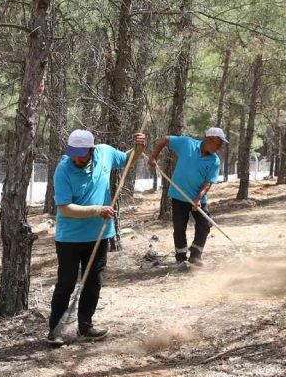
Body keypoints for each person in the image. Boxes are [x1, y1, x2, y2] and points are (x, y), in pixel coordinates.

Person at [48, 129, 146, 344]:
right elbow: (65, 209)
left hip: (99, 234)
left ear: (92, 150)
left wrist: (138, 148)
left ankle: (85, 326)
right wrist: (96, 210)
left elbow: (126, 160)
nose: (77, 158)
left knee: (93, 282)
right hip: (69, 239)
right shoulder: (63, 169)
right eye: (74, 153)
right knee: (66, 283)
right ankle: (55, 330)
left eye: (82, 154)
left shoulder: (105, 153)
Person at [148, 127, 227, 270]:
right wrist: (154, 156)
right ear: (209, 140)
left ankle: (195, 256)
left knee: (204, 225)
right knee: (179, 228)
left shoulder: (214, 161)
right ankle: (181, 259)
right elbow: (166, 139)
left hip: (198, 199)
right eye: (218, 143)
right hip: (179, 196)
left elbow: (208, 182)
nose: (220, 147)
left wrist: (198, 199)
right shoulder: (187, 144)